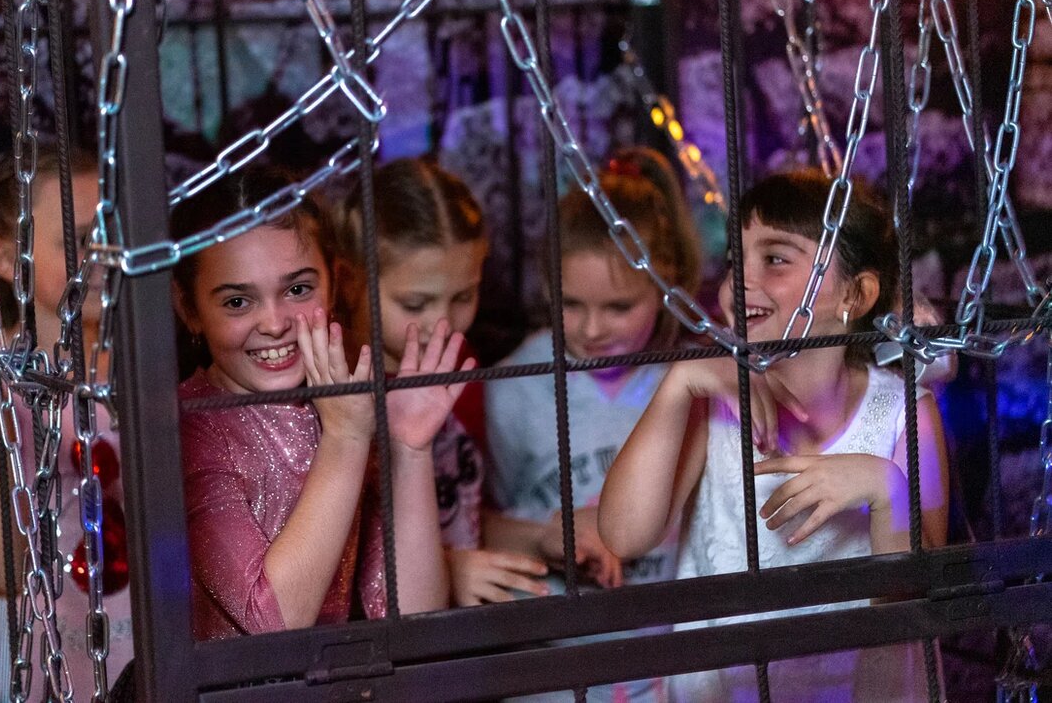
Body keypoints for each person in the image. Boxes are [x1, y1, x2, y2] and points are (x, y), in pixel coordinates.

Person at [598, 168, 950, 702]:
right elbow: (624, 535)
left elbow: (915, 596)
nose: (740, 280)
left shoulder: (905, 414)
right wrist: (676, 386)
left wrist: (886, 488)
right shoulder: (711, 401)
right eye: (735, 260)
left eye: (776, 259)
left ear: (855, 294)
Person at [171, 165, 459, 639]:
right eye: (238, 302)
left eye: (298, 290)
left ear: (335, 284)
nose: (274, 323)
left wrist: (409, 450)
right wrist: (345, 439)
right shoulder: (189, 427)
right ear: (190, 310)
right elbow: (270, 625)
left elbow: (413, 615)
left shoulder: (345, 406)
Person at [485, 150, 702, 702]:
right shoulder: (513, 387)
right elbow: (477, 526)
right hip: (550, 673)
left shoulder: (694, 384)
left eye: (619, 307)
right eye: (571, 304)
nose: (591, 329)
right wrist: (547, 535)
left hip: (670, 668)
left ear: (666, 283)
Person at [0, 148, 134, 699]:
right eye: (81, 239)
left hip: (148, 660)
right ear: (7, 261)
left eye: (112, 234)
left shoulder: (147, 360)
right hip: (40, 671)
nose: (105, 256)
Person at [336, 157, 551, 607]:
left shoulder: (462, 362)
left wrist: (545, 536)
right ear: (350, 282)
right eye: (415, 304)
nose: (443, 324)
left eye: (463, 296)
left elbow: (464, 514)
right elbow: (341, 555)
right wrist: (449, 568)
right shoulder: (338, 386)